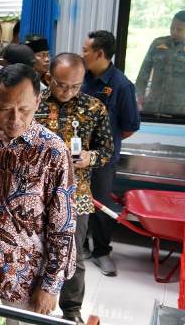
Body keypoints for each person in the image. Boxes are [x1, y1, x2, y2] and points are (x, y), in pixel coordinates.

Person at [0, 64, 76, 322]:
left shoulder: (53, 151)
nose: (15, 119)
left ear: (38, 101)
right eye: (5, 109)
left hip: (22, 280)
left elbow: (63, 225)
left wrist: (50, 285)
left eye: (24, 109)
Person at [36, 53, 114, 324]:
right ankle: (32, 302)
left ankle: (71, 310)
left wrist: (89, 157)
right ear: (49, 78)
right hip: (36, 192)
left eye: (75, 86)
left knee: (72, 254)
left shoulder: (94, 108)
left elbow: (107, 150)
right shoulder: (34, 103)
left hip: (76, 195)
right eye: (60, 84)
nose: (67, 91)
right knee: (33, 248)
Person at [82, 30, 141, 276]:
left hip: (103, 159)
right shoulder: (81, 78)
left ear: (100, 53)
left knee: (101, 205)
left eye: (86, 50)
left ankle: (102, 252)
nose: (82, 54)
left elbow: (129, 127)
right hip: (77, 155)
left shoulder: (121, 85)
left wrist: (104, 143)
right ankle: (82, 245)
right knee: (78, 203)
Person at [136, 10, 185, 114]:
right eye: (172, 27)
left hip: (178, 105)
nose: (174, 32)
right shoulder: (158, 43)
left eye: (179, 29)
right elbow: (144, 72)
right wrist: (139, 97)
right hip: (153, 102)